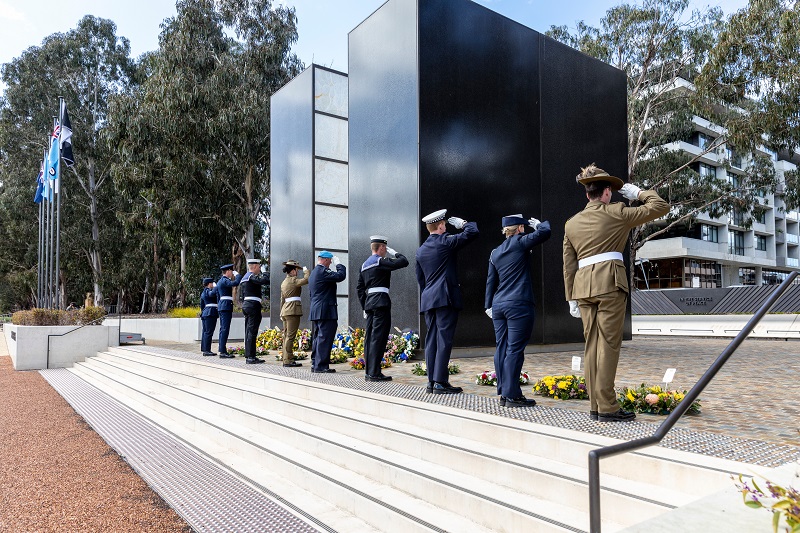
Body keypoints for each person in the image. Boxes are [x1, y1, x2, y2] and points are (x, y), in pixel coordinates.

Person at [563, 164, 669, 422]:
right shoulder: (618, 212)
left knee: (591, 345)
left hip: (583, 287)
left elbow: (568, 263)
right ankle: (608, 407)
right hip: (609, 284)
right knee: (608, 346)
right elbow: (661, 207)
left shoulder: (571, 223)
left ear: (588, 194)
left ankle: (595, 406)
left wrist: (570, 297)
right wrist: (639, 192)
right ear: (607, 192)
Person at [485, 214, 551, 407]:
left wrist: (488, 305)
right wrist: (540, 225)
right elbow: (546, 232)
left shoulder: (495, 252)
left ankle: (505, 393)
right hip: (518, 305)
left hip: (498, 305)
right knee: (514, 349)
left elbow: (491, 280)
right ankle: (512, 395)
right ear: (520, 228)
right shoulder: (520, 242)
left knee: (502, 347)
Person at [415, 209, 479, 394]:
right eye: (444, 224)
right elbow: (473, 232)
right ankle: (440, 382)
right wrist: (463, 223)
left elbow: (421, 279)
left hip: (429, 299)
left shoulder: (421, 250)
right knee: (443, 340)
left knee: (432, 339)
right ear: (441, 225)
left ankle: (431, 382)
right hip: (445, 298)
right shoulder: (445, 242)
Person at [357, 235, 409, 382]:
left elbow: (359, 289)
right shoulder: (380, 261)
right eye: (385, 248)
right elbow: (404, 261)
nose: (386, 251)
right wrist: (395, 253)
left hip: (370, 304)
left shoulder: (364, 264)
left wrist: (364, 307)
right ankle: (374, 373)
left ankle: (370, 372)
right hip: (381, 302)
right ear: (381, 247)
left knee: (370, 338)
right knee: (378, 338)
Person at [308, 250, 346, 373]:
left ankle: (316, 362)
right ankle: (321, 365)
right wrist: (339, 265)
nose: (330, 263)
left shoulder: (314, 272)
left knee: (319, 337)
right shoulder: (322, 271)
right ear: (324, 259)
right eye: (330, 261)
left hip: (317, 309)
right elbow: (340, 276)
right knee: (325, 337)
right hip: (325, 310)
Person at [240, 258, 270, 364]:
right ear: (256, 266)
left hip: (246, 305)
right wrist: (266, 271)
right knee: (252, 332)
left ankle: (249, 354)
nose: (260, 269)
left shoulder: (244, 277)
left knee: (248, 331)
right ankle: (251, 357)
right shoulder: (251, 277)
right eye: (260, 267)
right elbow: (264, 280)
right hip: (253, 306)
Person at [280, 259, 309, 368]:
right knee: (290, 336)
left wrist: (281, 312)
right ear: (292, 271)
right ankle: (288, 360)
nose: (297, 272)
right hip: (292, 311)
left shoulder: (284, 282)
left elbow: (281, 299)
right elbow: (306, 280)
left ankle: (286, 358)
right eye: (296, 270)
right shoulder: (293, 280)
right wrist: (306, 271)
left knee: (286, 336)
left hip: (286, 310)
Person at [216, 263, 241, 358]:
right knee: (225, 329)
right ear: (228, 271)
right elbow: (235, 283)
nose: (232, 273)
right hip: (225, 306)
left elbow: (218, 296)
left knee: (223, 329)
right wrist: (238, 275)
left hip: (223, 306)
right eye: (231, 271)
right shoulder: (224, 281)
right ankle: (222, 351)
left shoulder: (220, 281)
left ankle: (221, 349)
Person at [199, 277, 219, 356]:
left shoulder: (203, 292)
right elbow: (212, 294)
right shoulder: (208, 291)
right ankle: (207, 350)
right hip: (210, 313)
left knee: (205, 331)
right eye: (212, 283)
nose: (212, 285)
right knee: (208, 332)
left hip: (205, 312)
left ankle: (204, 349)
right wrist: (216, 287)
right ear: (209, 284)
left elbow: (202, 305)